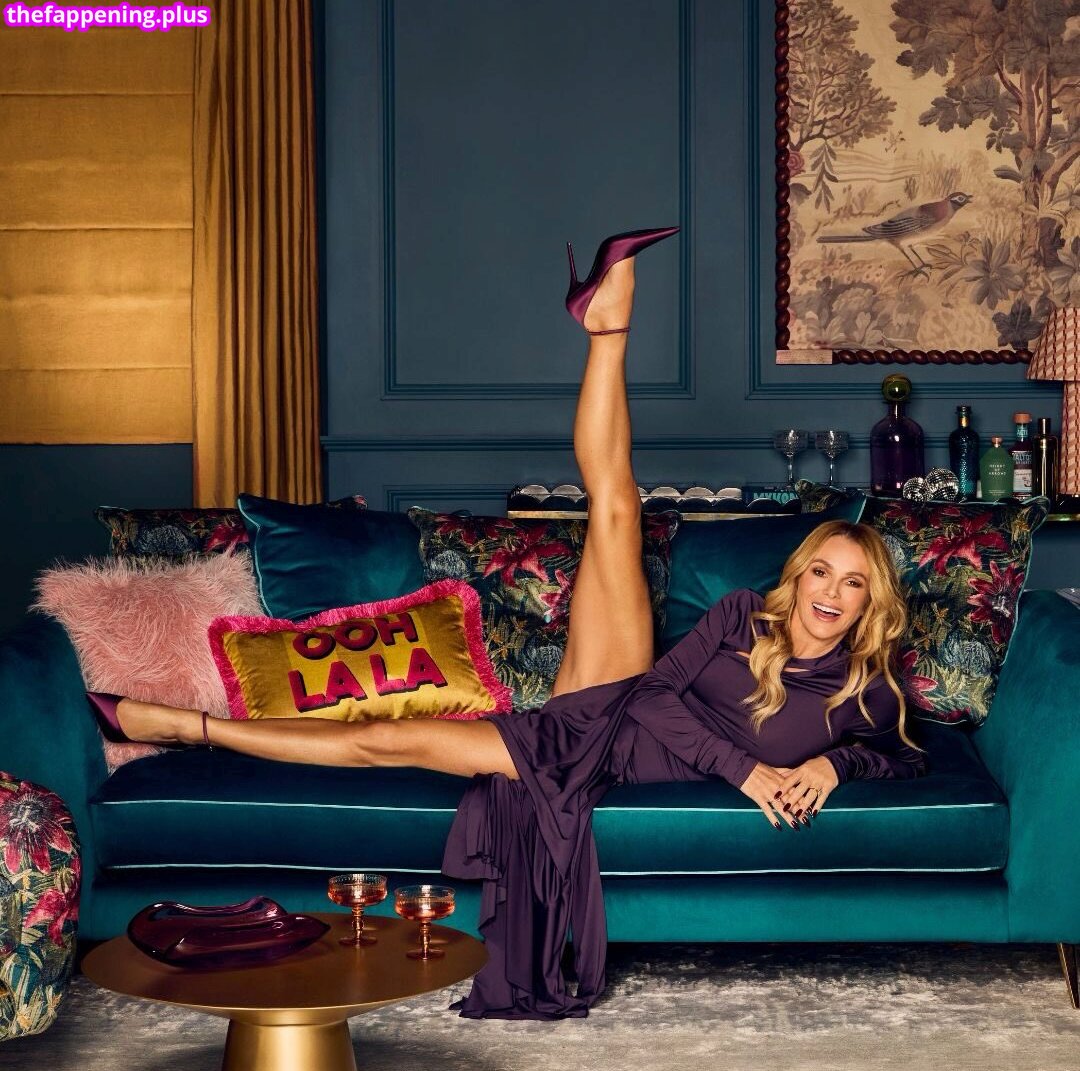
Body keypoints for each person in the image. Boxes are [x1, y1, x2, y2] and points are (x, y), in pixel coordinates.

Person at [88, 226, 926, 1021]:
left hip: (603, 755)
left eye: (853, 582)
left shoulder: (870, 690)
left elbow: (898, 755)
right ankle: (607, 325)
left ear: (870, 602)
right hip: (609, 714)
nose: (830, 591)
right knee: (617, 509)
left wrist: (831, 764)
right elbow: (654, 694)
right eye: (821, 570)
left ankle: (186, 726)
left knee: (381, 737)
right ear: (798, 574)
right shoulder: (743, 615)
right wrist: (745, 770)